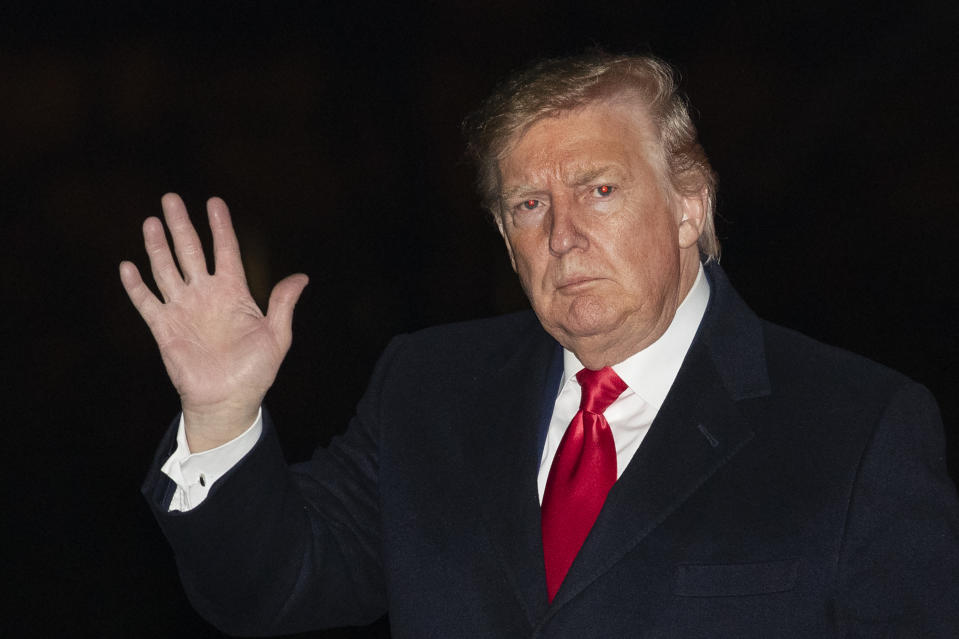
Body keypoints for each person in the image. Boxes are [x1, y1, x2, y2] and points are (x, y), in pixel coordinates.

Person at [122, 52, 959, 637]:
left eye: (598, 189)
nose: (562, 234)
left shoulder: (856, 429)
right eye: (528, 205)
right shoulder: (428, 390)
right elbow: (271, 587)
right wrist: (222, 415)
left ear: (688, 206)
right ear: (501, 231)